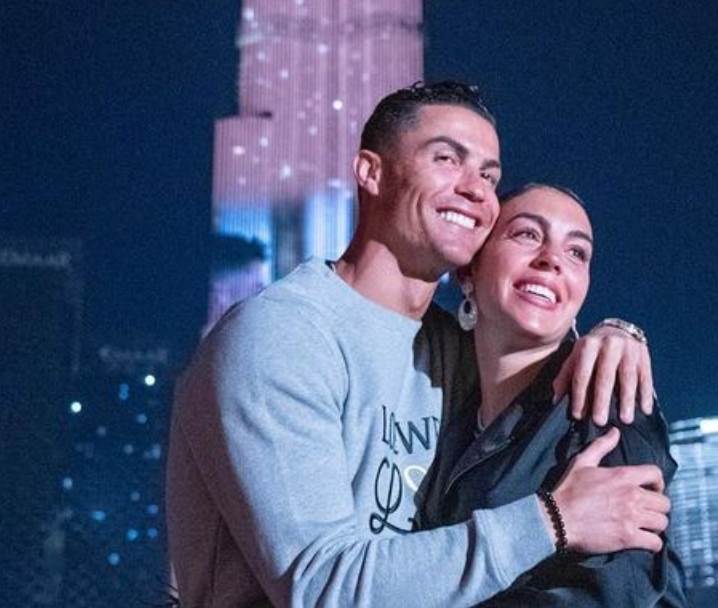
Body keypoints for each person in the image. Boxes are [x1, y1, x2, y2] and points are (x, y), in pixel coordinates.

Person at [167, 82, 668, 607]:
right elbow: (322, 591)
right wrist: (553, 521)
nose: (475, 189)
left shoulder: (457, 350)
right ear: (371, 172)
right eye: (447, 159)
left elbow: (532, 345)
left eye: (489, 175)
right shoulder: (280, 337)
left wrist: (618, 334)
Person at [416, 184, 687, 606]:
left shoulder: (603, 404)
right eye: (527, 234)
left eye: (577, 252)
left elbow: (616, 594)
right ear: (469, 272)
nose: (552, 259)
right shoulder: (449, 410)